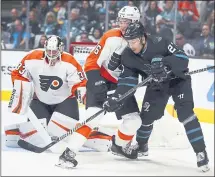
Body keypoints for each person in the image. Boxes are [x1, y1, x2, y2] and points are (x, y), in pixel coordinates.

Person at [103, 22, 210, 172]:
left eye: (133, 41)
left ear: (142, 38)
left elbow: (182, 57)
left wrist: (166, 64)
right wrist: (117, 97)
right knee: (146, 118)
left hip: (178, 80)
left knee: (186, 114)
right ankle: (141, 147)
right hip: (157, 85)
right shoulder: (128, 56)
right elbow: (127, 82)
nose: (131, 45)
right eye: (128, 42)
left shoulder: (160, 42)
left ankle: (200, 152)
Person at [56, 6, 141, 169]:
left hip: (123, 85)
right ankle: (68, 152)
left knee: (134, 121)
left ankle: (119, 145)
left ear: (136, 22)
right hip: (102, 80)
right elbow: (91, 61)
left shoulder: (142, 41)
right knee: (92, 116)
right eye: (121, 20)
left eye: (127, 21)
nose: (122, 24)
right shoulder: (110, 37)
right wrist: (97, 82)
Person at [7, 35, 88, 166]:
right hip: (40, 100)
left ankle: (90, 134)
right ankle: (23, 131)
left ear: (60, 49)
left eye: (54, 51)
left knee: (63, 138)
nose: (51, 54)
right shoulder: (32, 57)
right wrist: (22, 90)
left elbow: (80, 82)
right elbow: (17, 74)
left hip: (65, 100)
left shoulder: (70, 61)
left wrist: (80, 92)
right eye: (49, 51)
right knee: (39, 137)